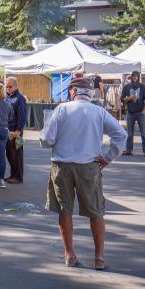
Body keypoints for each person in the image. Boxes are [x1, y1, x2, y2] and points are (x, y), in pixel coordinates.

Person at [40, 78, 127, 270]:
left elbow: (47, 139)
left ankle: (69, 254)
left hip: (62, 166)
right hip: (89, 166)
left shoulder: (62, 109)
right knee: (96, 212)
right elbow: (121, 135)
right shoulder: (98, 111)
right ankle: (99, 257)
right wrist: (108, 157)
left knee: (65, 211)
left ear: (72, 91)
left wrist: (50, 140)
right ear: (90, 93)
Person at [121, 71, 145, 156]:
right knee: (129, 133)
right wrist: (129, 98)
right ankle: (129, 150)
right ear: (131, 77)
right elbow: (122, 100)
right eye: (133, 76)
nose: (134, 77)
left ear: (138, 77)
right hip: (130, 112)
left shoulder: (143, 87)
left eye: (136, 76)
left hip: (140, 112)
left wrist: (143, 112)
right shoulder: (126, 87)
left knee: (143, 133)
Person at [5, 77, 27, 184]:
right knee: (10, 154)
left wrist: (19, 130)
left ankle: (18, 177)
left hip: (16, 131)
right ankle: (13, 174)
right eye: (7, 86)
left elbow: (22, 116)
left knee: (17, 154)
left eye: (10, 86)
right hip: (8, 130)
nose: (8, 88)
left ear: (15, 86)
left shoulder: (20, 98)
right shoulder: (6, 97)